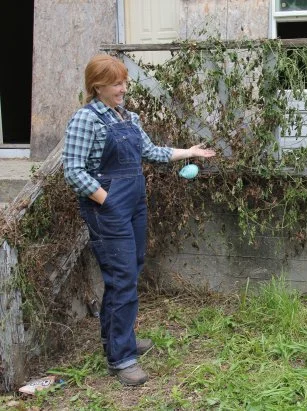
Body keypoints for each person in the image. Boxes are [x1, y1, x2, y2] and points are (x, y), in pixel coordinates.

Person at [62, 54, 216, 386]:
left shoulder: (128, 117)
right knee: (122, 277)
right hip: (108, 208)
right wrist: (107, 199)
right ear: (98, 86)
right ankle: (122, 359)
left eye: (124, 82)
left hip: (134, 204)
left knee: (132, 267)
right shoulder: (85, 120)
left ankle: (116, 340)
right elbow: (73, 171)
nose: (123, 88)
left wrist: (188, 152)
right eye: (117, 83)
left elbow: (152, 152)